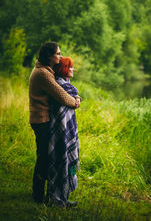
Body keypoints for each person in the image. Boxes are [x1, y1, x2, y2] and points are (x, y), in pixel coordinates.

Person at [29, 42, 80, 204]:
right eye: (57, 53)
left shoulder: (45, 70)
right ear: (49, 56)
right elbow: (62, 96)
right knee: (44, 158)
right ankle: (38, 196)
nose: (60, 56)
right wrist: (76, 102)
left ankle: (44, 194)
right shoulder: (43, 74)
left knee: (45, 157)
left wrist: (75, 97)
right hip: (41, 120)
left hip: (42, 119)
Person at [48, 57, 81, 208]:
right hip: (60, 130)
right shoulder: (59, 86)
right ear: (64, 69)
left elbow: (73, 100)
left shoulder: (67, 86)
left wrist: (76, 98)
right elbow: (64, 105)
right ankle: (55, 198)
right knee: (59, 160)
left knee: (66, 161)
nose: (73, 69)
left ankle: (63, 196)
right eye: (71, 67)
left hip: (66, 129)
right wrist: (76, 99)